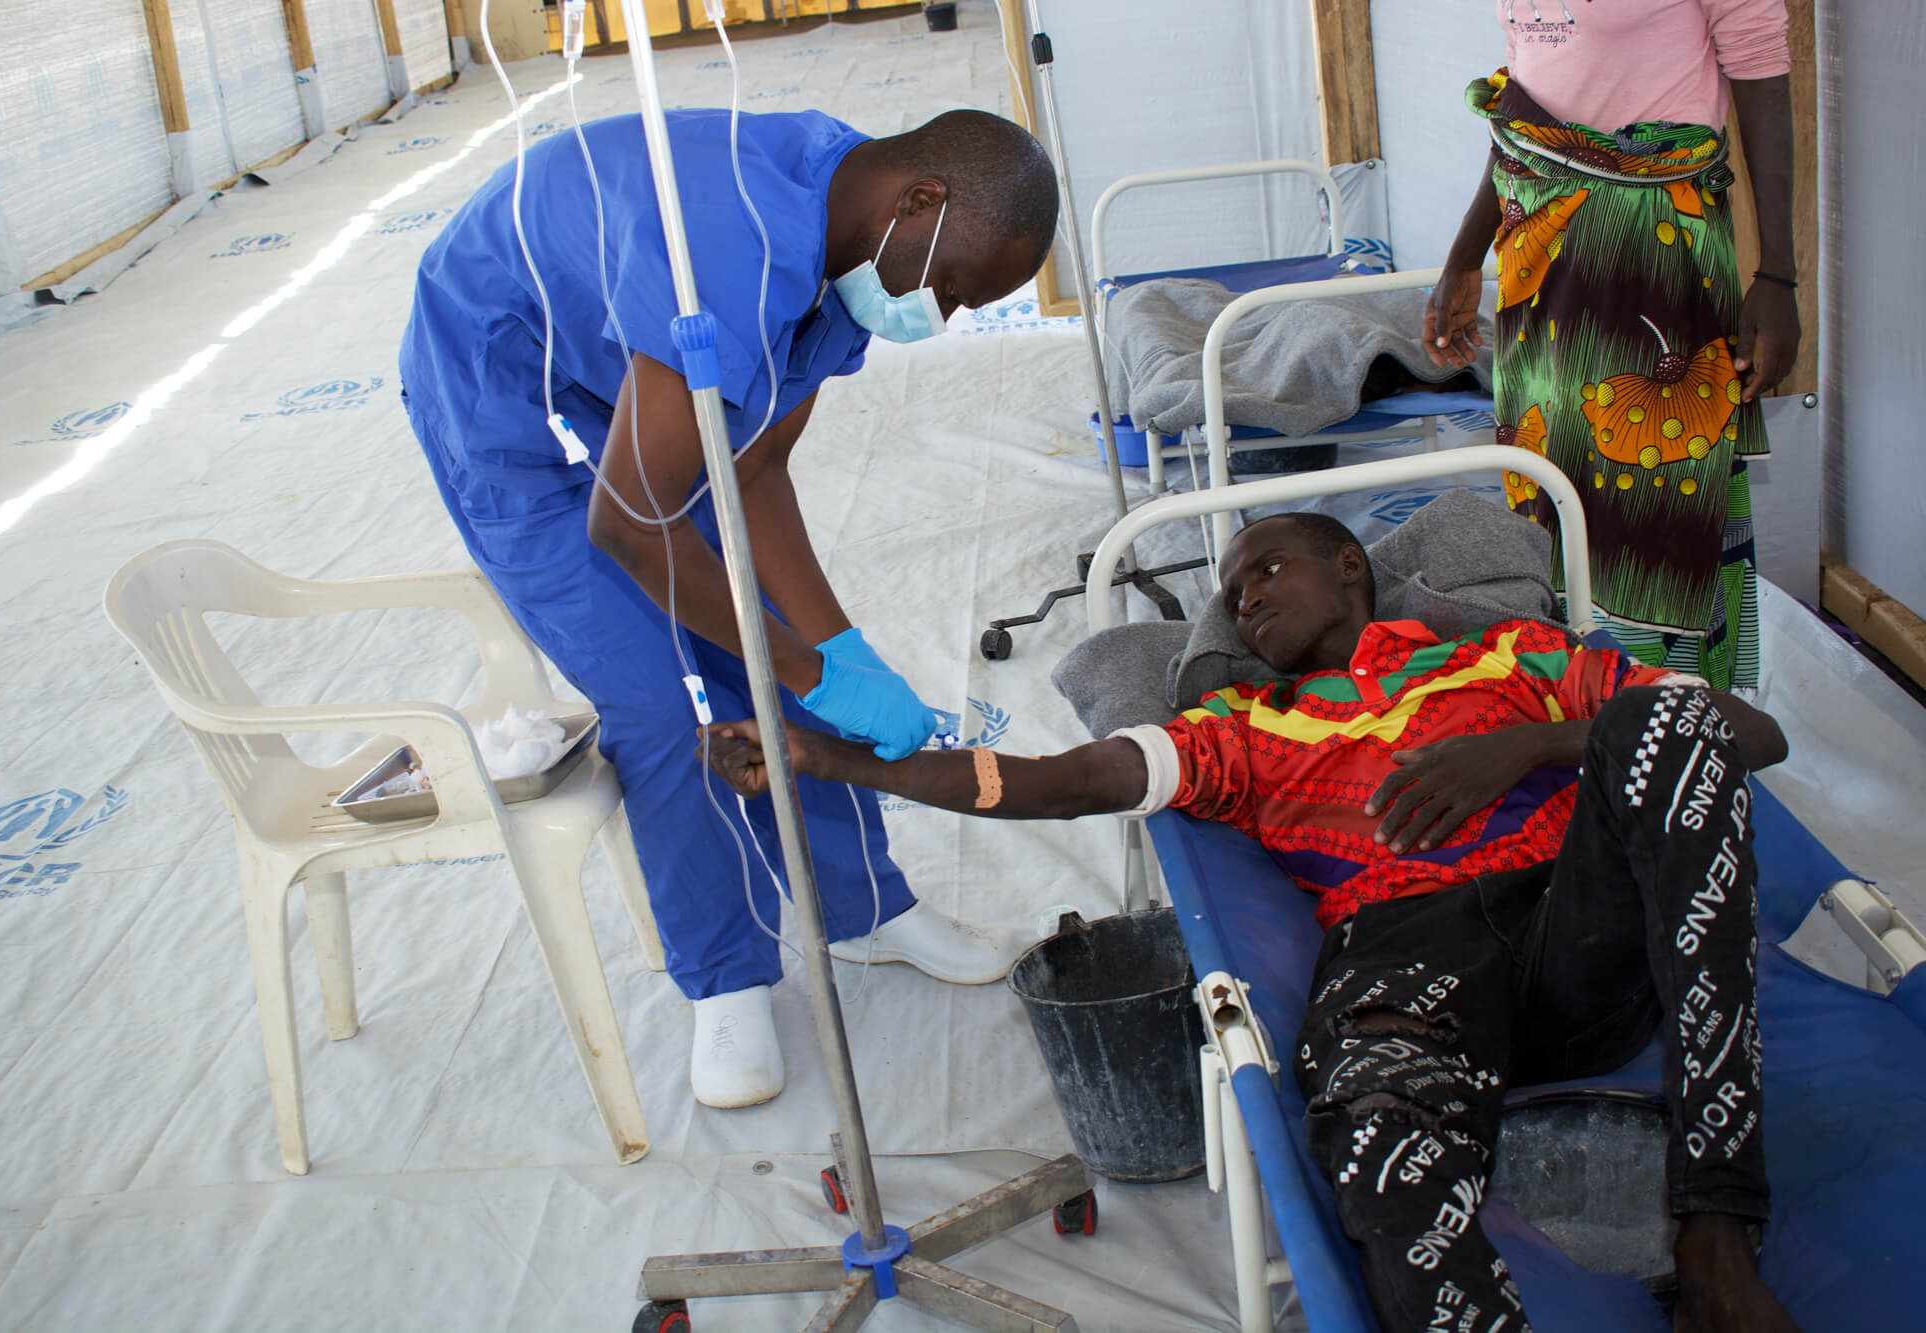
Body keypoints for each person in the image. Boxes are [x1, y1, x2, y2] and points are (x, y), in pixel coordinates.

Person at [702, 512, 1800, 1333]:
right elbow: (1058, 780)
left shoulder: (1510, 660)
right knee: (1375, 1154)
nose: (1244, 598)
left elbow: (1745, 733)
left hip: (1574, 933)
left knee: (1660, 713)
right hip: (1404, 963)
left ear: (1350, 569)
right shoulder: (1235, 725)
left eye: (1265, 568)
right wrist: (828, 757)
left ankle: (1711, 1228)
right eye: (1231, 591)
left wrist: (1526, 745)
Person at [398, 107, 1058, 1109]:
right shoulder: (729, 251)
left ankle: (863, 908)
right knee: (660, 697)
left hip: (620, 331)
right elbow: (629, 521)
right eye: (956, 289)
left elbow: (753, 472)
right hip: (498, 375)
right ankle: (726, 976)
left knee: (772, 647)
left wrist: (837, 652)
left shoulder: (853, 247)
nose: (948, 315)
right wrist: (799, 666)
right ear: (920, 201)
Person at [1424, 0, 1799, 693]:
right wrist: (1466, 253)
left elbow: (1759, 70)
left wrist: (1778, 273)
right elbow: (1528, 98)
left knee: (1653, 493)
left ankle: (1671, 710)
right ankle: (1575, 699)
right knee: (1550, 482)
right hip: (1538, 253)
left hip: (1651, 252)